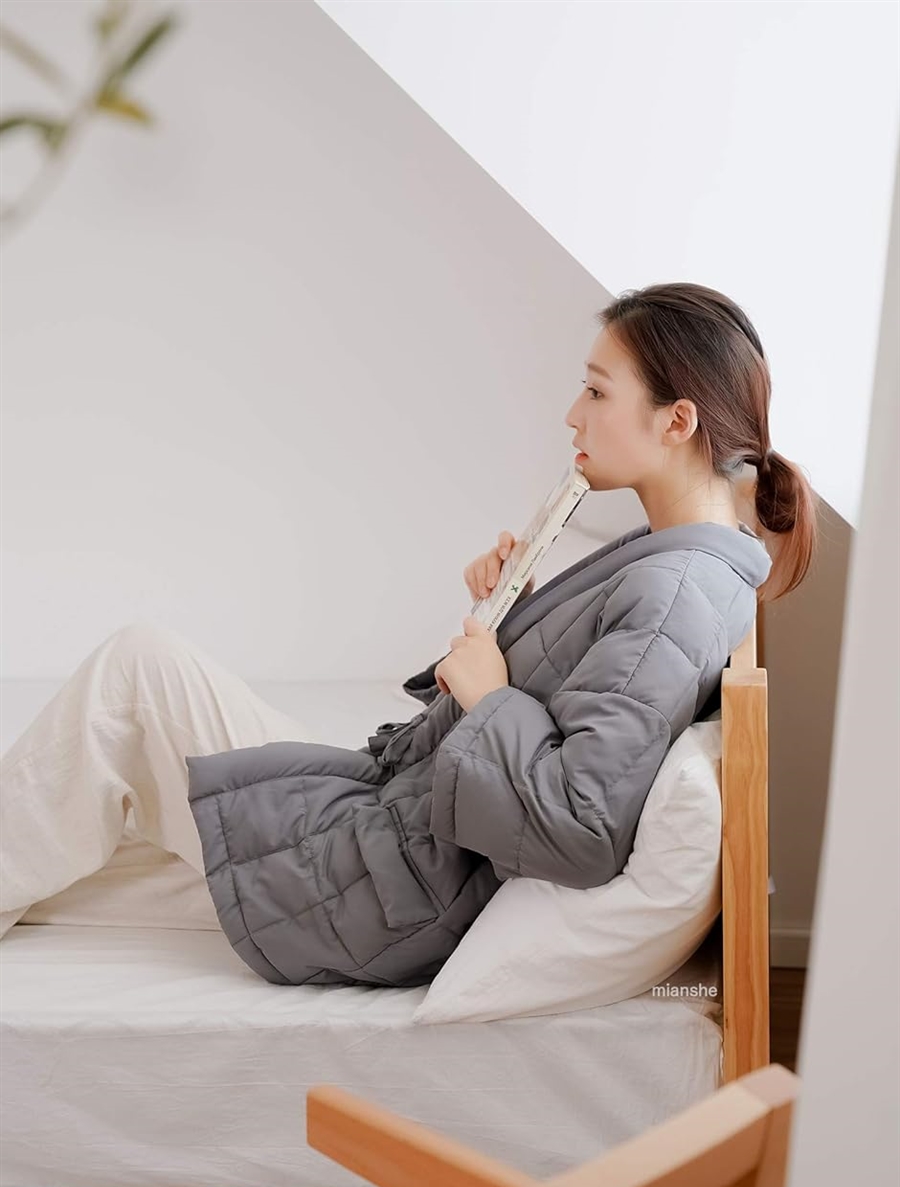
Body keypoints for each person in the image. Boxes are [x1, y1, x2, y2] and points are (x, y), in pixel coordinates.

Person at [0, 282, 819, 986]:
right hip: (399, 837)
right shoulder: (683, 563)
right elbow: (581, 707)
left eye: (597, 393)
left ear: (677, 421)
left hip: (394, 884)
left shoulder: (676, 590)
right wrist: (516, 612)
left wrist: (491, 693)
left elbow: (581, 827)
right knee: (127, 736)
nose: (574, 415)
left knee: (136, 676)